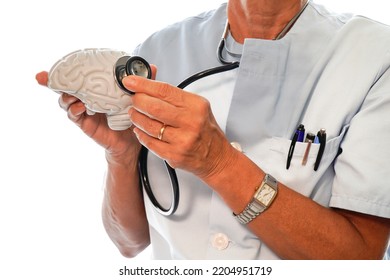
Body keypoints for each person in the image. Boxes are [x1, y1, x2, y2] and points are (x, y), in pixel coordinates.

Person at [36, 0, 390, 259]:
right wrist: (122, 154)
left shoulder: (374, 58)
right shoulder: (158, 51)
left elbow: (360, 260)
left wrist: (220, 164)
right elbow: (129, 243)